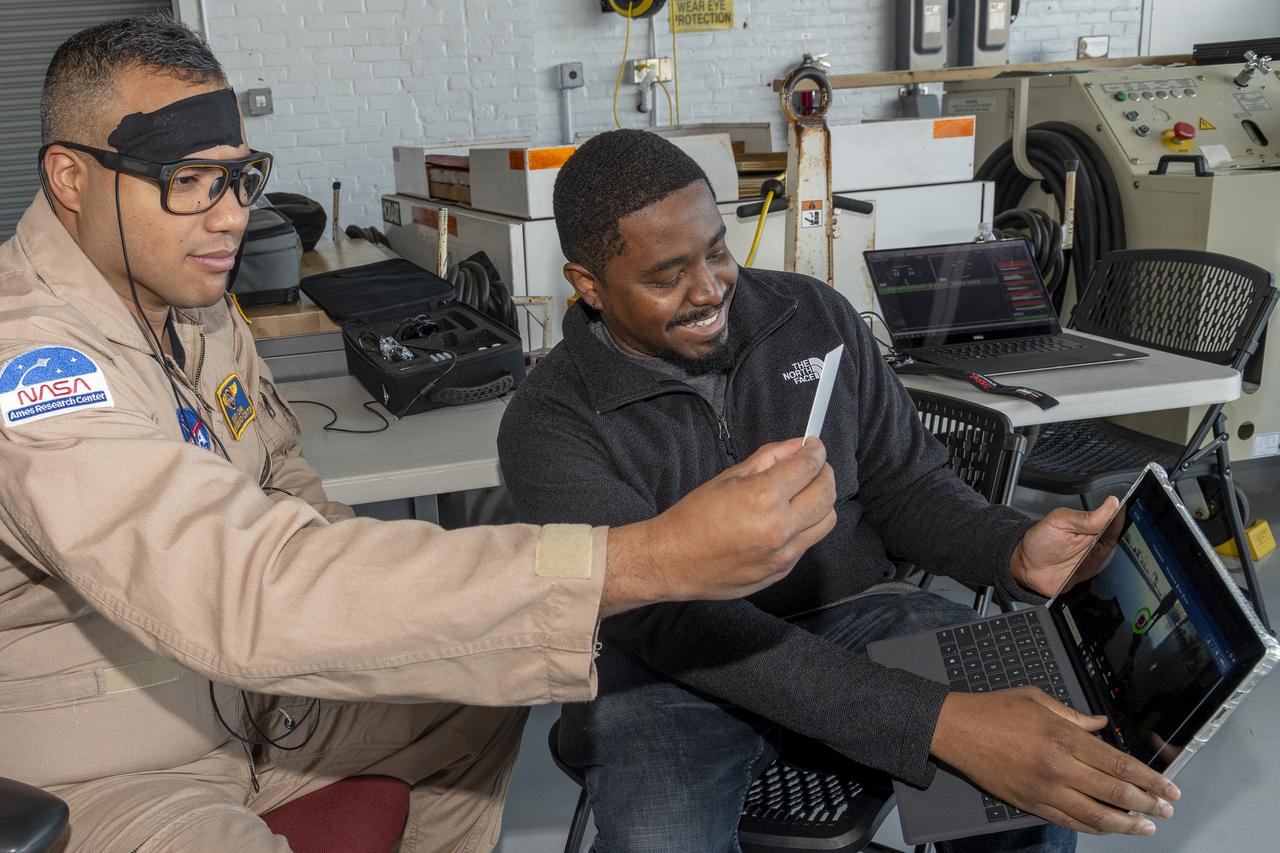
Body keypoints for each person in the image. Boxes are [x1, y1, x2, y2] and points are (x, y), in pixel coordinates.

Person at [0, 18, 839, 853]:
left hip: (252, 702)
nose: (230, 219)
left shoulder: (189, 299)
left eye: (241, 179)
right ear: (72, 177)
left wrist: (398, 617)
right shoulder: (32, 363)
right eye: (189, 180)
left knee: (469, 681)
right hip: (119, 760)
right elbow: (243, 582)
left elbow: (285, 486)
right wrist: (644, 559)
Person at [497, 129, 1182, 853]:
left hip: (851, 612)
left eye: (718, 250)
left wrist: (1010, 545)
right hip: (666, 671)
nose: (709, 290)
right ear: (589, 285)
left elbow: (906, 483)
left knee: (1034, 771)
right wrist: (936, 721)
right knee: (660, 843)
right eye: (667, 276)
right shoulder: (549, 426)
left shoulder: (814, 318)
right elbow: (679, 625)